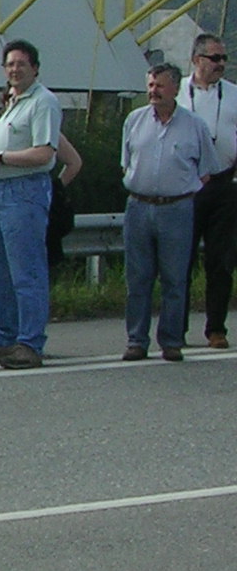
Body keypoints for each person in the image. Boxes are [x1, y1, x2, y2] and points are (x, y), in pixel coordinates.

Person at [0, 39, 60, 369]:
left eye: (21, 64)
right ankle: (4, 338)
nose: (15, 69)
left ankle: (30, 342)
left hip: (23, 191)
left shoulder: (43, 103)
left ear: (35, 68)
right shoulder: (14, 104)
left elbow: (44, 152)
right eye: (10, 64)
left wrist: (0, 157)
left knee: (26, 272)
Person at [0, 120, 82, 361]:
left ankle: (25, 339)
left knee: (24, 274)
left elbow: (73, 162)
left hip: (24, 204)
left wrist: (52, 189)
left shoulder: (44, 126)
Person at [120, 63, 214, 363]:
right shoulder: (134, 121)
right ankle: (136, 340)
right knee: (138, 278)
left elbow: (206, 172)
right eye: (150, 85)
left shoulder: (194, 126)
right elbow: (125, 164)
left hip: (177, 209)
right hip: (138, 207)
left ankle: (171, 341)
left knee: (174, 279)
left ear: (174, 88)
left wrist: (179, 190)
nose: (153, 91)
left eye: (159, 86)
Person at [179, 33, 237, 347]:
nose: (221, 64)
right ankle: (178, 329)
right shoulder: (180, 98)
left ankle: (217, 328)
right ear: (197, 59)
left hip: (224, 185)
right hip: (187, 188)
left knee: (220, 260)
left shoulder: (234, 95)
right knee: (181, 262)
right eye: (215, 58)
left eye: (223, 58)